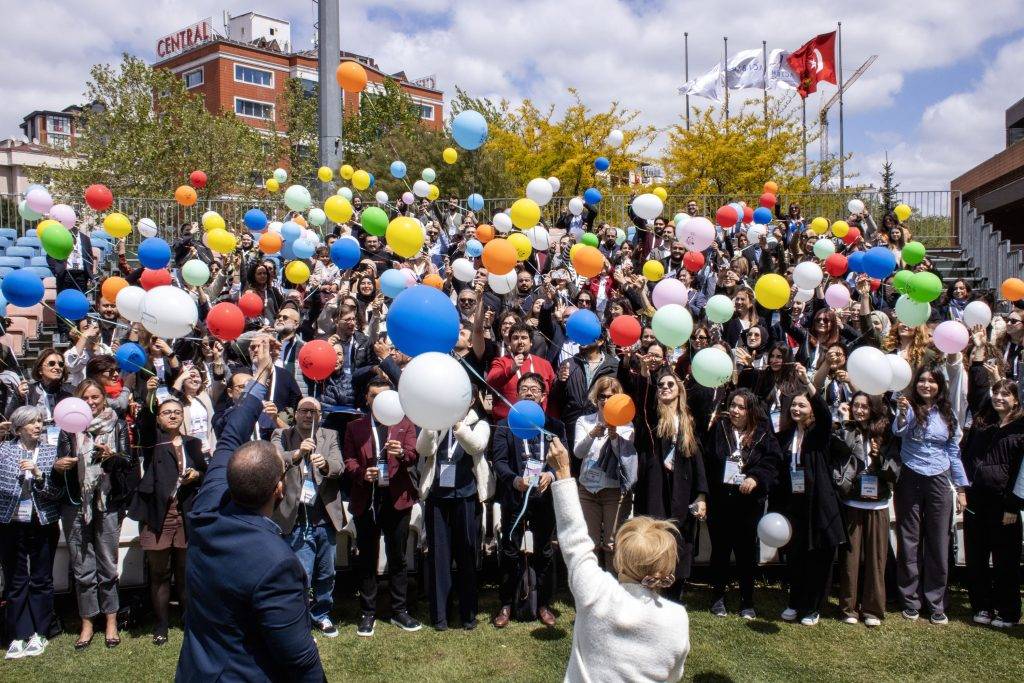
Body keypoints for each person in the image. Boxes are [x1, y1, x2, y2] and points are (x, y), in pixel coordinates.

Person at [177, 342, 324, 680]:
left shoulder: (206, 509)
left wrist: (261, 375)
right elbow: (299, 658)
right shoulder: (277, 563)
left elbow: (230, 437)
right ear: (278, 489)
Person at [545, 436, 690, 682]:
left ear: (619, 560)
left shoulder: (597, 594)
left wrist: (563, 472)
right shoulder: (677, 618)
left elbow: (575, 541)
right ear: (666, 567)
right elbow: (674, 675)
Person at [53, 379, 133, 649]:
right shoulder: (69, 428)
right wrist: (60, 465)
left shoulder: (117, 423)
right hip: (76, 504)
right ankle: (87, 621)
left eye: (96, 396)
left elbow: (127, 462)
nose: (91, 402)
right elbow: (61, 463)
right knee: (82, 565)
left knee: (108, 565)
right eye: (85, 397)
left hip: (107, 501)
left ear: (103, 398)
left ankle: (111, 620)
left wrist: (111, 457)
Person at [343, 379, 422, 637]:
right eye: (374, 395)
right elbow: (349, 459)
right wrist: (362, 473)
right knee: (367, 557)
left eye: (384, 396)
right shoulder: (355, 427)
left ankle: (399, 610)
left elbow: (413, 455)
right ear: (366, 398)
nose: (379, 400)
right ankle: (368, 612)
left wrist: (400, 454)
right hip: (366, 499)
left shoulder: (405, 423)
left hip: (397, 499)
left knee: (398, 556)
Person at [129, 386, 206, 645]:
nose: (172, 416)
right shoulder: (153, 441)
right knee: (160, 573)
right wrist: (154, 395)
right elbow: (145, 418)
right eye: (166, 412)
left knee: (185, 572)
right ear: (159, 417)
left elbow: (204, 472)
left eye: (177, 412)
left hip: (184, 514)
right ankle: (161, 623)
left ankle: (187, 617)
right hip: (158, 515)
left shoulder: (193, 443)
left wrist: (196, 475)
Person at [893, 366, 968, 625]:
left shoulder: (948, 414)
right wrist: (903, 413)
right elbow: (899, 431)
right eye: (922, 380)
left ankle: (936, 602)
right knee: (909, 539)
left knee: (938, 541)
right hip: (910, 476)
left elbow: (954, 452)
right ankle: (910, 600)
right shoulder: (909, 406)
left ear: (940, 385)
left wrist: (960, 488)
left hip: (939, 478)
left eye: (931, 381)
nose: (926, 385)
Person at [491, 372, 567, 628]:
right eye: (524, 388)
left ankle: (543, 603)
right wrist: (514, 480)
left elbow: (564, 460)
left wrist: (552, 473)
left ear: (544, 396)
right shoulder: (504, 426)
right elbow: (499, 462)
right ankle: (507, 603)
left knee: (545, 551)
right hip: (515, 496)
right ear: (516, 394)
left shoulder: (555, 426)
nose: (529, 392)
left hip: (544, 499)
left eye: (535, 389)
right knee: (510, 551)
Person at [272, 396, 345, 637]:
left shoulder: (329, 435)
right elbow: (274, 460)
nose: (308, 415)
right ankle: (298, 617)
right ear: (296, 414)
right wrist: (296, 453)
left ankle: (321, 614)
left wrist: (324, 465)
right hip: (295, 518)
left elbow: (339, 466)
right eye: (303, 410)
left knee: (327, 572)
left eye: (313, 411)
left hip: (324, 517)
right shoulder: (281, 435)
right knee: (301, 573)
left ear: (320, 416)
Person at [705, 389, 781, 618]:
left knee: (746, 553)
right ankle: (718, 596)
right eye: (733, 405)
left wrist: (755, 477)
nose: (736, 411)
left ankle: (747, 600)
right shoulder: (719, 428)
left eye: (741, 407)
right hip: (721, 500)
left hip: (748, 503)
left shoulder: (763, 432)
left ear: (751, 410)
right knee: (720, 550)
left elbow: (773, 461)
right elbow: (709, 459)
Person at [775, 392, 850, 626]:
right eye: (794, 405)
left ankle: (813, 607)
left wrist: (811, 386)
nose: (796, 409)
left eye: (802, 405)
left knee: (819, 556)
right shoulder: (785, 436)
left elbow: (826, 415)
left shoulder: (819, 434)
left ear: (812, 409)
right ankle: (794, 602)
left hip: (819, 503)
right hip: (793, 503)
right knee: (796, 555)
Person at [416, 405, 492, 630]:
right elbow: (423, 449)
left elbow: (475, 446)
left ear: (469, 401)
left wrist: (458, 425)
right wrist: (431, 425)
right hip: (437, 497)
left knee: (467, 554)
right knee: (439, 557)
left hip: (466, 497)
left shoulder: (480, 423)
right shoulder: (436, 422)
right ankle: (440, 617)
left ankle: (468, 614)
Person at [960, 378, 1023, 628]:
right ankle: (982, 606)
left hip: (1004, 505)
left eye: (1005, 394)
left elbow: (1021, 472)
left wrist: (1013, 505)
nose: (999, 397)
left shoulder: (1020, 429)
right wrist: (962, 490)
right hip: (976, 500)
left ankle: (1007, 611)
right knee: (976, 556)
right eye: (996, 392)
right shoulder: (982, 425)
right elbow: (966, 457)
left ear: (1016, 400)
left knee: (1005, 560)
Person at [0, 406, 61, 660]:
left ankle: (40, 631)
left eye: (39, 421)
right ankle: (18, 633)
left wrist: (38, 475)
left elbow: (56, 494)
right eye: (31, 422)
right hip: (11, 522)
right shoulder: (4, 451)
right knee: (15, 579)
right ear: (18, 427)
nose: (38, 426)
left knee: (41, 577)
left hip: (42, 521)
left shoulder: (49, 452)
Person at [833, 392, 897, 627]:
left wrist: (878, 458)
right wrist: (844, 422)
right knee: (850, 558)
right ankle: (849, 607)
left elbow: (894, 470)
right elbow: (838, 453)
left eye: (864, 407)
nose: (859, 410)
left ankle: (872, 608)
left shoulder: (885, 433)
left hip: (878, 503)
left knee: (876, 558)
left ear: (874, 409)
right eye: (856, 406)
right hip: (852, 502)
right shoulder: (847, 430)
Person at [572, 376, 639, 571]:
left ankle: (613, 589)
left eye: (611, 396)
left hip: (613, 491)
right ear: (596, 397)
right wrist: (593, 434)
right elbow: (578, 453)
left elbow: (626, 459)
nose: (606, 400)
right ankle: (590, 590)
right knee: (588, 544)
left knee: (612, 544)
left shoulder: (627, 424)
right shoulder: (584, 421)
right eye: (602, 396)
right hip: (587, 489)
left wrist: (615, 437)